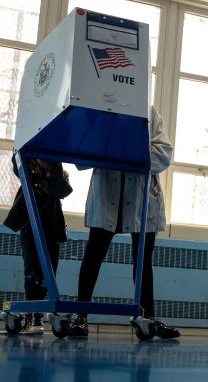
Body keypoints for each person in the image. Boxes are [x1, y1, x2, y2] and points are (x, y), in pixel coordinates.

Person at [70, 105, 178, 339]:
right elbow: (82, 155)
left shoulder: (149, 112)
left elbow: (163, 153)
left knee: (143, 262)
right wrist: (120, 148)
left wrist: (124, 150)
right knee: (93, 256)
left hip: (141, 197)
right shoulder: (99, 110)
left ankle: (146, 318)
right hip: (107, 192)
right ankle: (81, 316)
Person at [3, 156, 70, 334]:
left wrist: (51, 168)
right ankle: (33, 315)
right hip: (31, 216)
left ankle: (37, 313)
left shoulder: (55, 160)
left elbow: (61, 189)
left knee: (50, 269)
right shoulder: (25, 156)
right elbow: (18, 168)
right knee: (33, 269)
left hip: (53, 217)